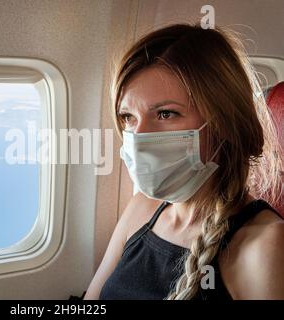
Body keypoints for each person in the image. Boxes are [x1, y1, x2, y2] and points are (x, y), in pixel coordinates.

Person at [84, 23, 284, 300]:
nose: (138, 137)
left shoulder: (264, 244)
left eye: (166, 114)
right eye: (128, 117)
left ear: (224, 123)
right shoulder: (142, 207)